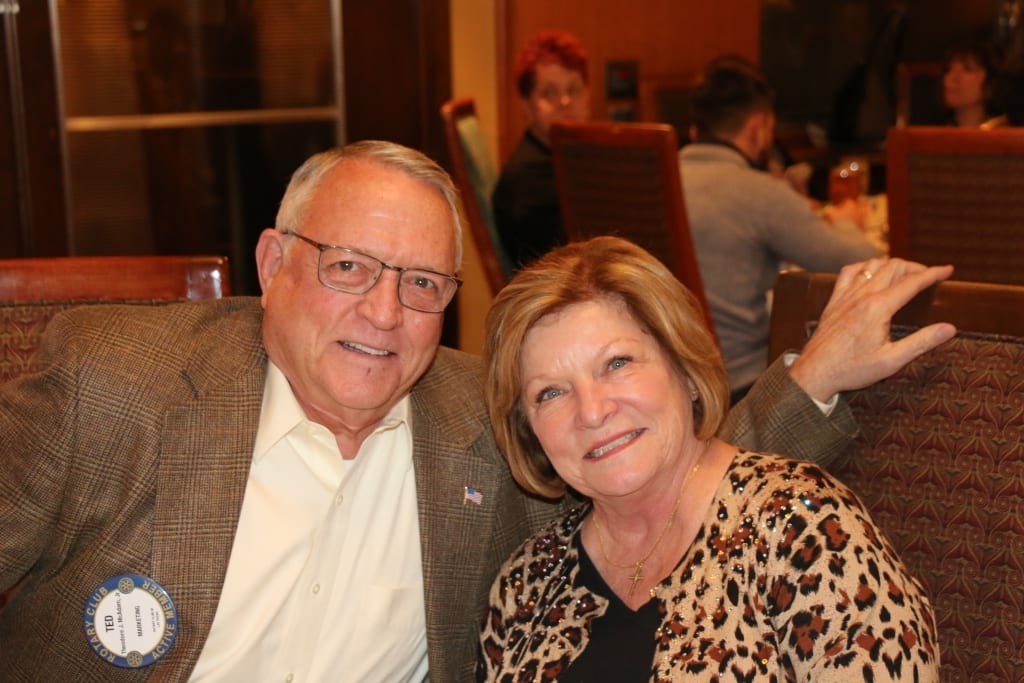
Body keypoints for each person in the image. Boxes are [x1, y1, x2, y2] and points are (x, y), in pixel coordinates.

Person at [0, 141, 954, 682]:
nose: (384, 313)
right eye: (348, 267)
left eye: (422, 283)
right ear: (273, 263)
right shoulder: (113, 382)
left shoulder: (483, 424)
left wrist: (812, 375)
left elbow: (656, 483)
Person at [478, 236, 941, 682]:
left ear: (685, 368)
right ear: (530, 430)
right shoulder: (528, 584)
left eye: (617, 364)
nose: (592, 411)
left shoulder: (802, 530)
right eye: (551, 393)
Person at [680, 60, 884, 403]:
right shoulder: (758, 191)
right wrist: (848, 220)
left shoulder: (656, 178)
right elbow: (860, 260)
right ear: (758, 127)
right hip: (742, 384)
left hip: (673, 377)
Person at [491, 29, 589, 270]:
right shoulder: (530, 179)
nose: (565, 102)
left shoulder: (563, 156)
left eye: (573, 90)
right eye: (549, 93)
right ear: (527, 105)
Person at [941, 40, 1005, 128]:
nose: (953, 78)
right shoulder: (932, 130)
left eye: (967, 69)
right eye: (949, 69)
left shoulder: (1005, 131)